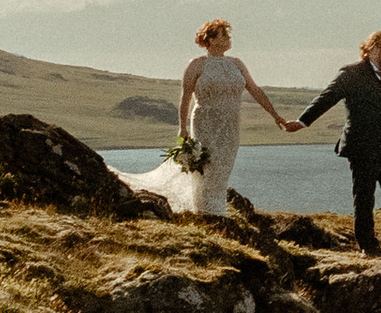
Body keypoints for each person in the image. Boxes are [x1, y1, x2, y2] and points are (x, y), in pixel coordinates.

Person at [126, 18, 300, 217]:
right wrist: (182, 128)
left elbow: (255, 89)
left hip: (230, 124)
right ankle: (209, 215)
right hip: (205, 122)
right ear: (210, 39)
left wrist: (275, 115)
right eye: (224, 35)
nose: (228, 38)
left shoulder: (237, 64)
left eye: (228, 35)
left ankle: (214, 213)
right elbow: (185, 97)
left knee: (223, 168)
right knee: (207, 168)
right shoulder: (197, 65)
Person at [299, 29, 381, 254]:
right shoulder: (351, 73)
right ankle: (368, 247)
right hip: (363, 147)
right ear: (374, 47)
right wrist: (302, 122)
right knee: (364, 199)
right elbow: (327, 97)